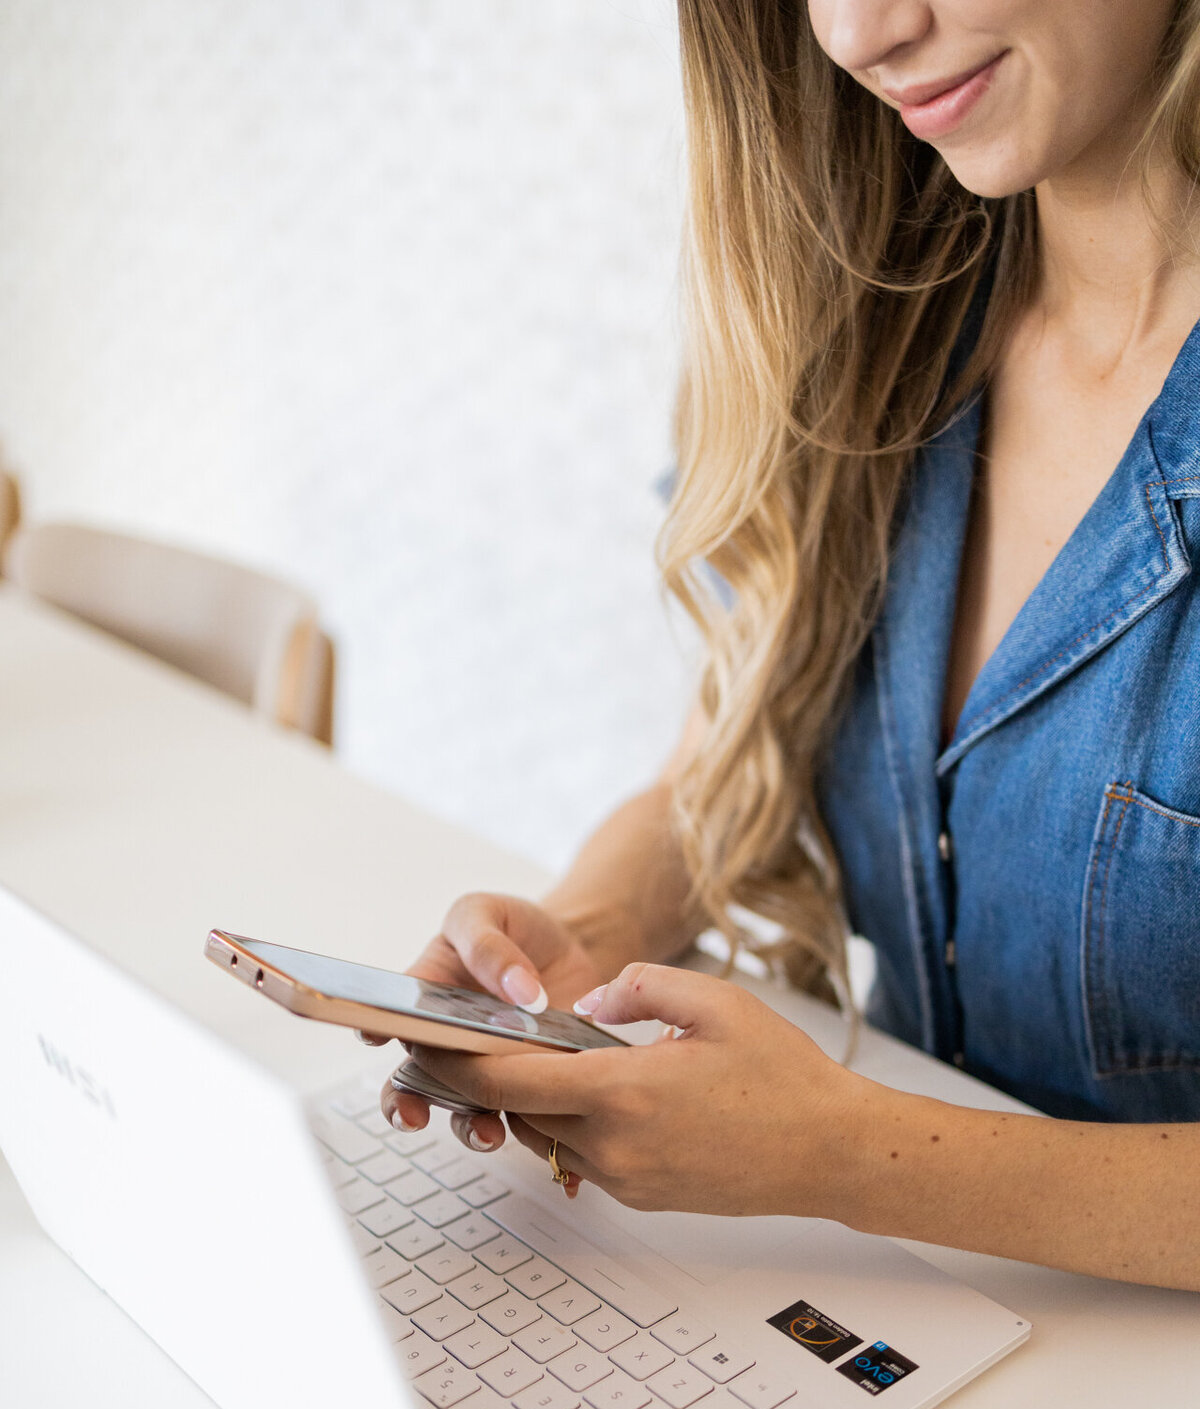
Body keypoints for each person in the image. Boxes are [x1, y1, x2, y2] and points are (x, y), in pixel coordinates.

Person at [376, 1, 1200, 1292]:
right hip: (976, 1355)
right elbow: (724, 762)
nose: (863, 29)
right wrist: (580, 943)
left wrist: (843, 1155)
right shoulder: (890, 320)